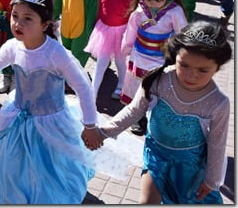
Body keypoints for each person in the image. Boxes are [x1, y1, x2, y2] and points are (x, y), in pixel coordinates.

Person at [0, 0, 101, 204]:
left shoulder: (55, 53)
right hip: (18, 115)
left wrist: (90, 125)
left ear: (45, 25)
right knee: (15, 164)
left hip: (50, 120)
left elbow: (82, 86)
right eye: (15, 16)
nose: (18, 23)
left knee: (48, 167)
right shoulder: (13, 46)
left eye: (28, 18)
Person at [91, 21, 232, 204]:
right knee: (147, 202)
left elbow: (217, 144)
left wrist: (211, 180)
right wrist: (103, 132)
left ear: (217, 67)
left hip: (190, 166)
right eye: (184, 65)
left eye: (203, 70)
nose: (191, 75)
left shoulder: (218, 102)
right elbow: (134, 110)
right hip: (156, 155)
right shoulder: (158, 79)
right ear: (175, 56)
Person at [120, 0, 187, 133]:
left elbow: (182, 33)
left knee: (157, 90)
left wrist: (180, 55)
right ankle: (138, 118)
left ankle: (155, 121)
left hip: (161, 58)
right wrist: (126, 47)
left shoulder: (174, 11)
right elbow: (131, 31)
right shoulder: (139, 10)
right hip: (139, 55)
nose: (151, 3)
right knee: (137, 87)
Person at [85, 0, 136, 100]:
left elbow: (133, 17)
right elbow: (99, 11)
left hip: (121, 33)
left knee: (120, 63)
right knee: (101, 63)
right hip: (104, 32)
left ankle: (122, 85)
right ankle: (92, 94)